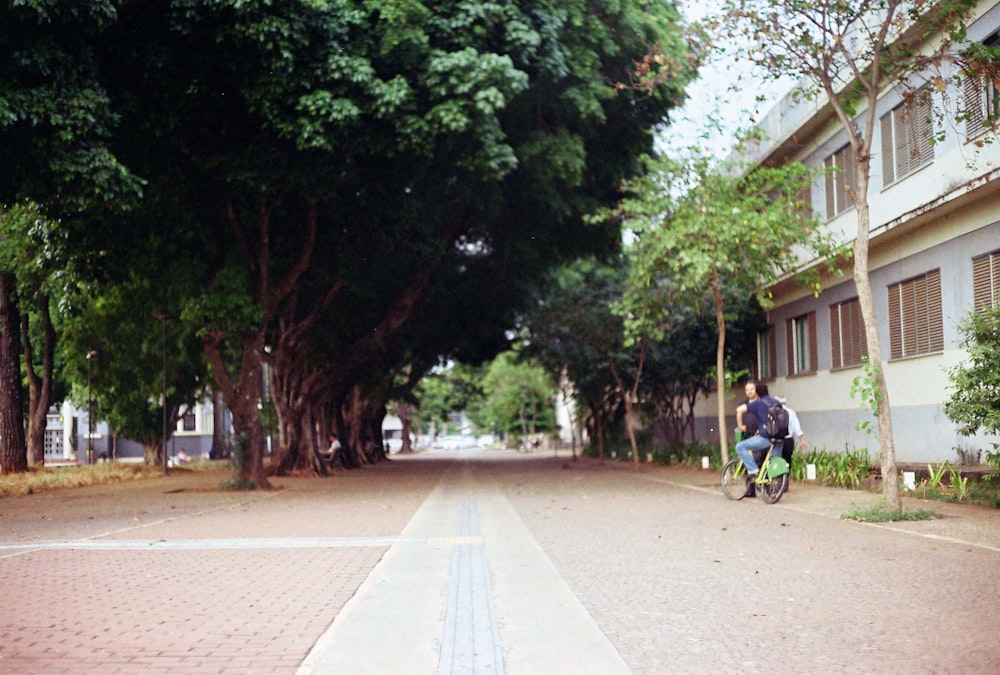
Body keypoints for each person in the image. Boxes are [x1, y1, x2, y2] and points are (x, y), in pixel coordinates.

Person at [734, 380, 780, 480]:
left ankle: (753, 470)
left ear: (757, 392)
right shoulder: (776, 402)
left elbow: (739, 410)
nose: (750, 392)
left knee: (740, 447)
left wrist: (740, 425)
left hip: (764, 438)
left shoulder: (758, 403)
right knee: (774, 463)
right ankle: (774, 490)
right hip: (779, 438)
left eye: (752, 389)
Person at [777, 396, 806, 491]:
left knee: (776, 460)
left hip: (776, 440)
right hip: (788, 440)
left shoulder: (773, 411)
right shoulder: (791, 412)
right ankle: (785, 483)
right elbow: (797, 427)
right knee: (787, 461)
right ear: (785, 402)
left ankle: (778, 482)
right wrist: (802, 440)